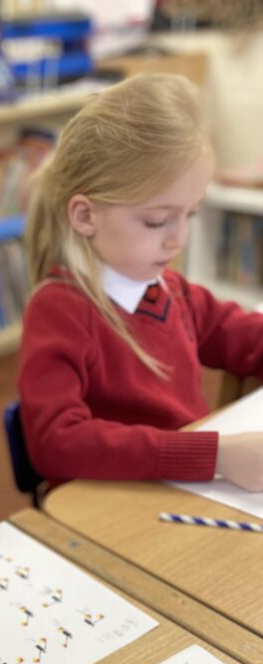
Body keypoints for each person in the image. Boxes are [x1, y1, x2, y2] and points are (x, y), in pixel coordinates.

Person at [17, 73, 263, 491]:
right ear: (85, 215)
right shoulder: (61, 309)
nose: (178, 238)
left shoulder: (170, 289)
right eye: (156, 220)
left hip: (179, 487)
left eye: (190, 214)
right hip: (108, 503)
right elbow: (56, 442)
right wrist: (214, 455)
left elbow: (242, 336)